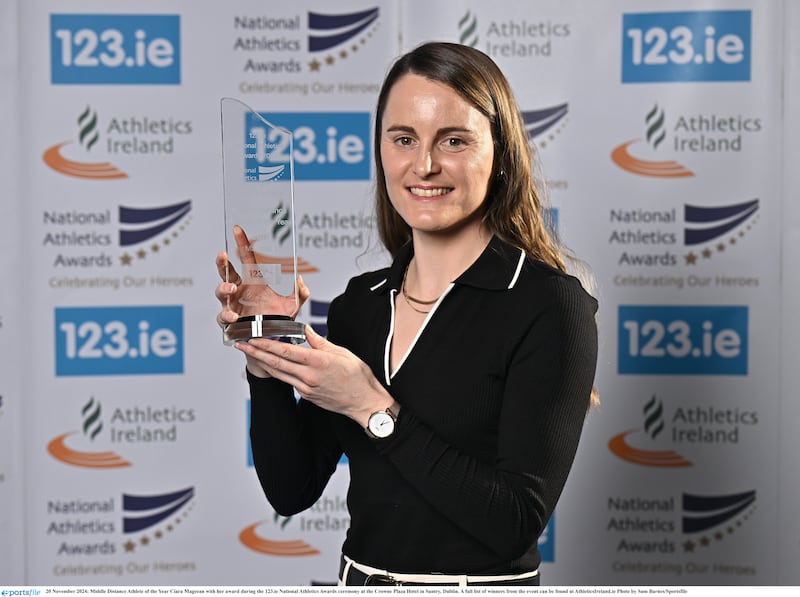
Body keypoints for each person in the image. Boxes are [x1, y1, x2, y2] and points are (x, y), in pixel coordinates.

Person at [214, 41, 598, 586]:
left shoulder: (549, 305)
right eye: (403, 139)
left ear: (501, 152)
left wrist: (372, 406)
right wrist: (266, 353)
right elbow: (291, 490)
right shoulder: (359, 305)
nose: (424, 164)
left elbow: (515, 522)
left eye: (454, 140)